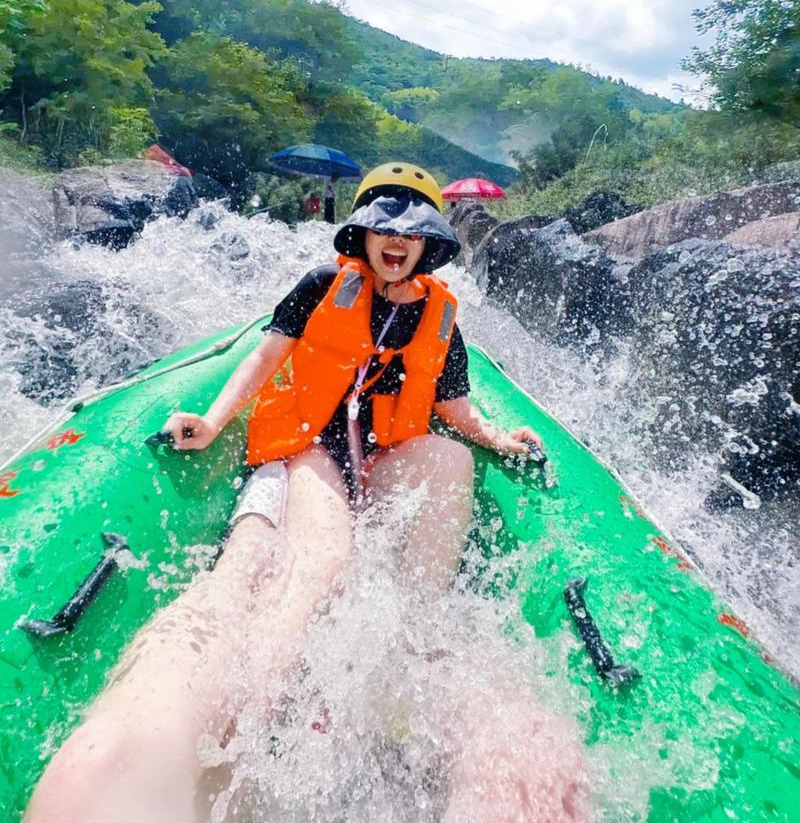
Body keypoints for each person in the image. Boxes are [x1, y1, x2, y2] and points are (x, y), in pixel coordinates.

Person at [26, 162, 555, 823]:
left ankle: (410, 656)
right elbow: (266, 357)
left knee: (449, 459)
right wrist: (215, 420)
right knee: (324, 557)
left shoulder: (441, 317)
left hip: (384, 452)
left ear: (428, 244)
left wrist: (497, 438)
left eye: (411, 231)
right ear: (361, 235)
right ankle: (251, 712)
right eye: (382, 227)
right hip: (314, 445)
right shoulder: (321, 287)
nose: (396, 241)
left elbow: (454, 407)